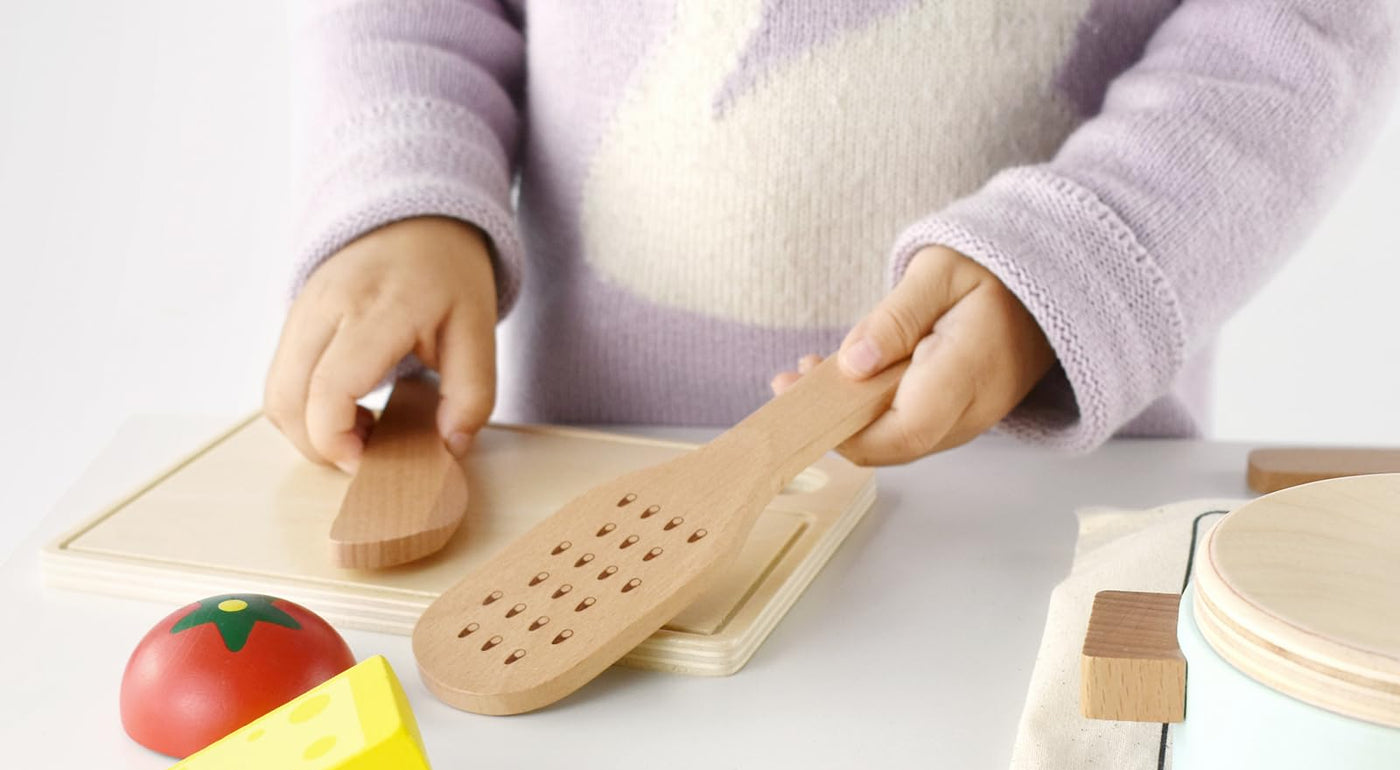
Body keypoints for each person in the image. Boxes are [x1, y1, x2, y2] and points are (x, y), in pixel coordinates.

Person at [265, 1, 1396, 474]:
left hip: (1029, 521)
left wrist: (1070, 267)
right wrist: (407, 188)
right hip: (596, 483)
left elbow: (1290, 36)